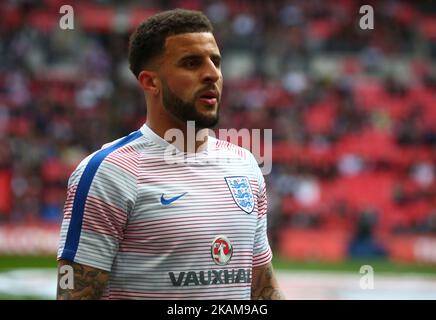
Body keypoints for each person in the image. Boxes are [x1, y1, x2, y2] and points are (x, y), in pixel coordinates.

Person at [56, 8, 283, 300]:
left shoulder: (245, 166)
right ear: (151, 82)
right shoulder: (109, 173)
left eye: (216, 61)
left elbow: (262, 286)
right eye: (191, 63)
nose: (212, 74)